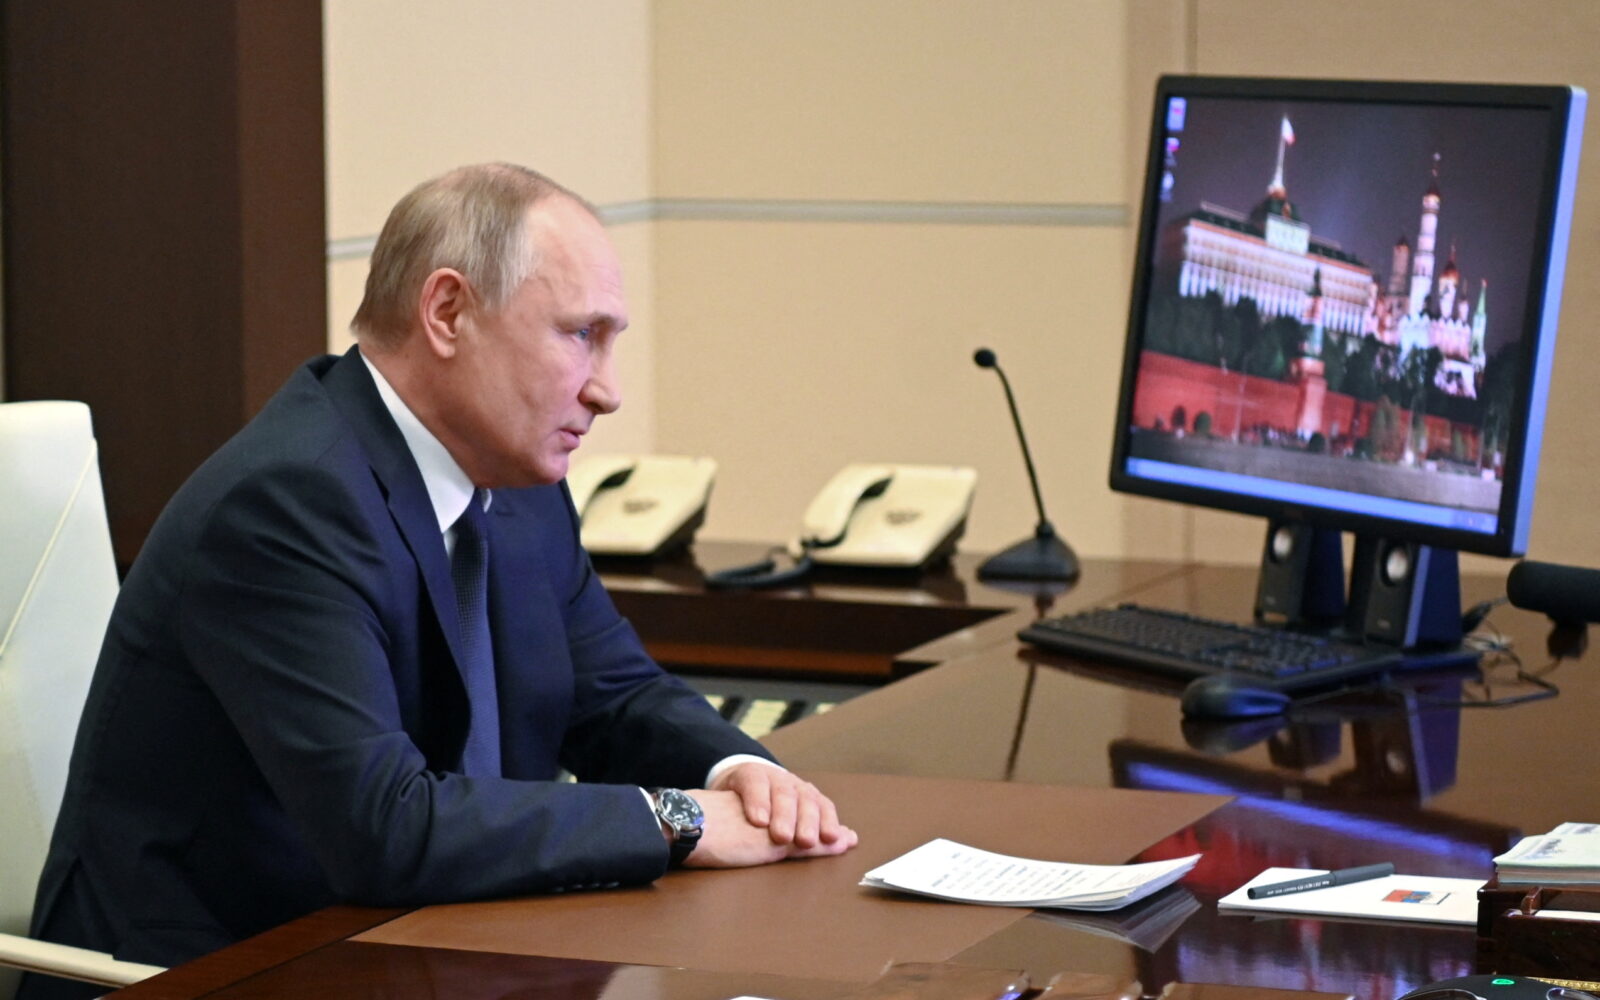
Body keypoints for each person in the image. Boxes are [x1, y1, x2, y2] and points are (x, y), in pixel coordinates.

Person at [20, 164, 856, 999]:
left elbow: (613, 695)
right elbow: (383, 826)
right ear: (448, 312)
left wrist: (737, 774)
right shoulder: (287, 502)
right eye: (580, 335)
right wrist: (676, 821)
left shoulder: (517, 480)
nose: (608, 390)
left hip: (419, 946)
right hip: (215, 968)